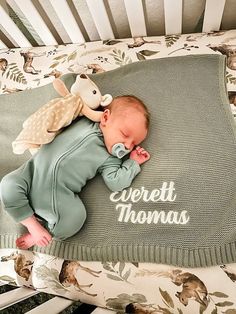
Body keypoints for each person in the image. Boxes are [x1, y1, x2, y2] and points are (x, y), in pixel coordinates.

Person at [0, 95, 150, 249]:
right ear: (105, 118)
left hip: (60, 196)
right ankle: (31, 223)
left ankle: (42, 233)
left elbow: (116, 183)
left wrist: (133, 163)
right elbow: (66, 109)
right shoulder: (84, 119)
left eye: (134, 143)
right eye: (125, 135)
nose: (127, 145)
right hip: (32, 173)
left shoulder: (110, 158)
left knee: (76, 218)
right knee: (8, 183)